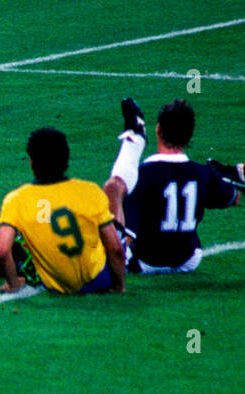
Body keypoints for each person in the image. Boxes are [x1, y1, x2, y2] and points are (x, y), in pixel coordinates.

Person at [102, 98, 241, 275]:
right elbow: (233, 197)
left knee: (116, 188)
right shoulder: (202, 173)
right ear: (189, 135)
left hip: (145, 263)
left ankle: (134, 141)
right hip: (188, 261)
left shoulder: (143, 174)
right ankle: (134, 139)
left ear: (158, 129)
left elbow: (126, 235)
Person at [0, 128, 126, 294]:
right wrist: (118, 286)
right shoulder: (90, 191)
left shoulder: (15, 199)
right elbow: (115, 249)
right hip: (98, 280)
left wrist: (13, 284)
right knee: (117, 230)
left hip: (55, 285)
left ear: (31, 162)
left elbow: (1, 249)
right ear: (66, 159)